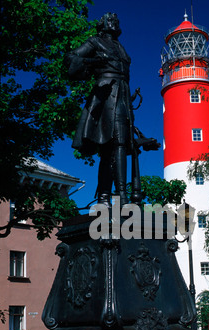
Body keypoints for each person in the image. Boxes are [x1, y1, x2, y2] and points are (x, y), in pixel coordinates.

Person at [64, 12, 159, 207]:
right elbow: (70, 58)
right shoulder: (95, 42)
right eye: (110, 19)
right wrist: (92, 63)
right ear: (102, 24)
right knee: (113, 146)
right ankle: (117, 196)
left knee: (120, 144)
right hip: (107, 94)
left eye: (116, 20)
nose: (114, 22)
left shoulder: (120, 47)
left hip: (123, 94)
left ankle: (111, 195)